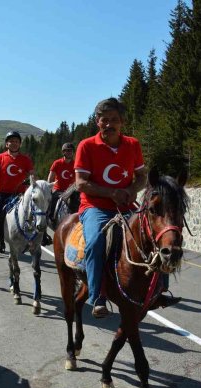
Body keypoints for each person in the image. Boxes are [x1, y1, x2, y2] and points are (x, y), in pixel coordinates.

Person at [75, 98, 179, 318]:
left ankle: (159, 290)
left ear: (122, 122)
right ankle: (96, 296)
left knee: (155, 236)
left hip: (126, 204)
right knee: (95, 242)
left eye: (114, 120)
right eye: (104, 120)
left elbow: (141, 176)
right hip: (95, 206)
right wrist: (111, 192)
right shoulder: (86, 146)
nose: (109, 124)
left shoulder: (132, 144)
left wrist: (132, 190)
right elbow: (81, 183)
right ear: (97, 121)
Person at [0, 131, 34, 253]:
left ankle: (39, 237)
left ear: (20, 144)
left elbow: (33, 176)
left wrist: (35, 187)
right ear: (6, 144)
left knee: (37, 212)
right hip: (2, 193)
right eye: (11, 141)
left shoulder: (25, 160)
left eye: (16, 141)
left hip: (21, 195)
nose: (14, 143)